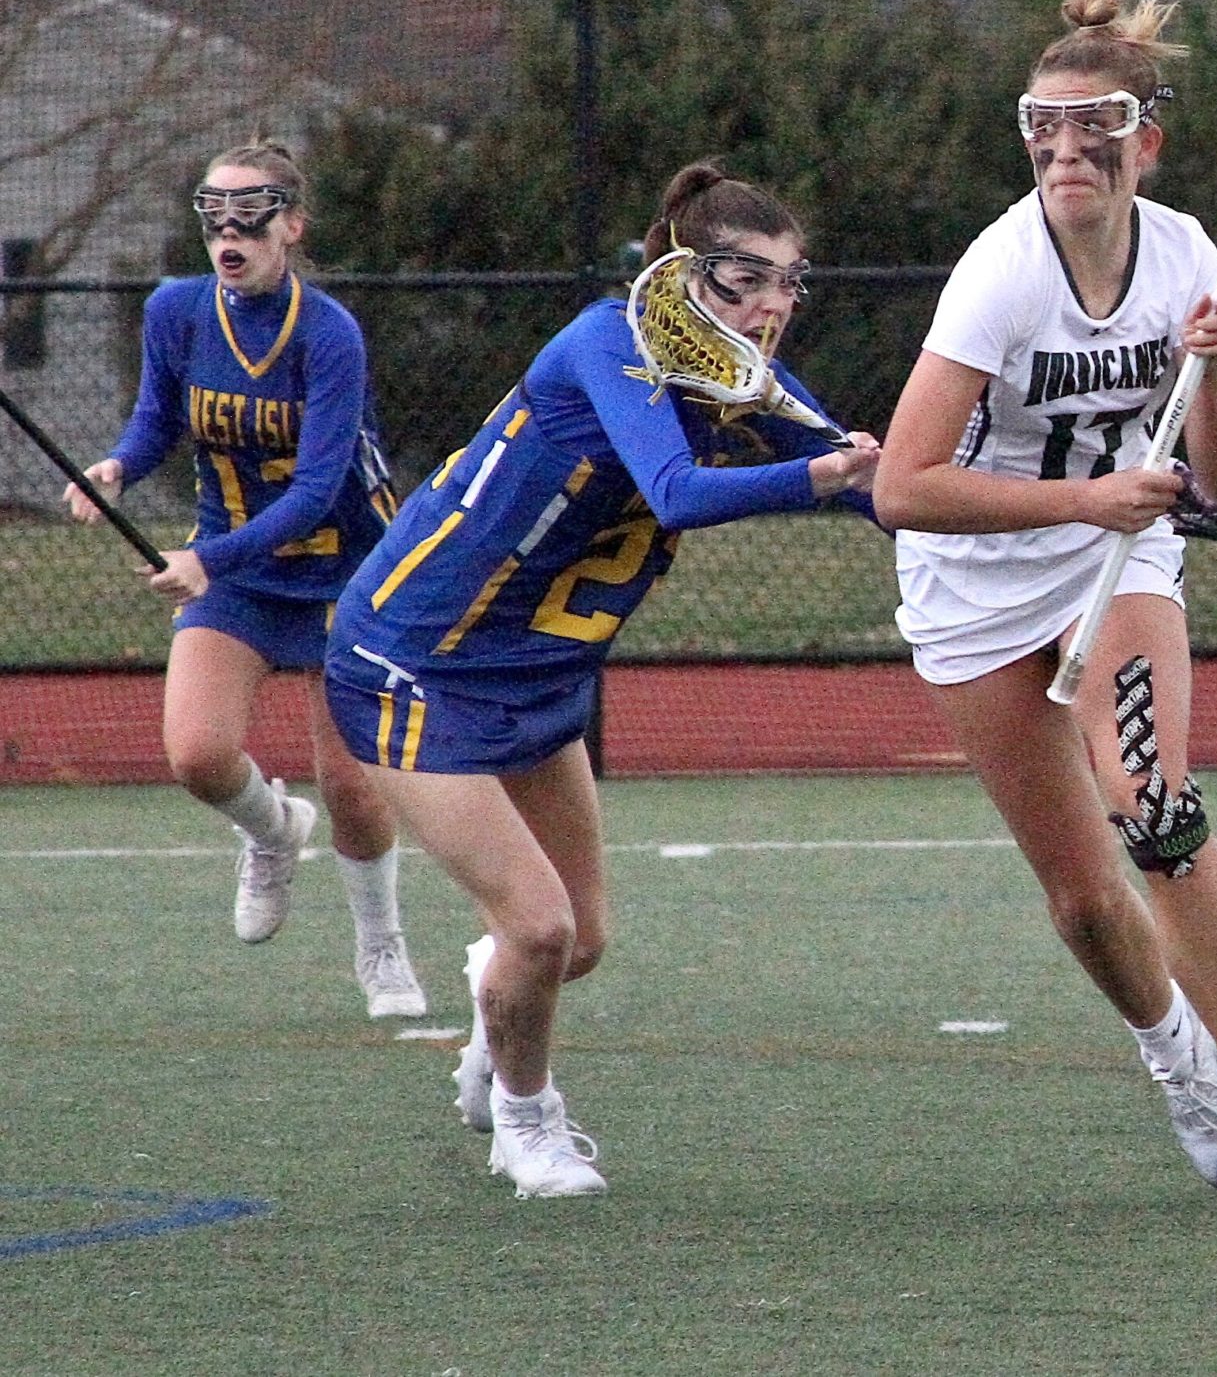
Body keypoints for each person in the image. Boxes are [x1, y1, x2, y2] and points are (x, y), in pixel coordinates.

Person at [871, 0, 1217, 1204]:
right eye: (1042, 126)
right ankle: (1174, 1053)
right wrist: (1085, 500)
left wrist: (1210, 372)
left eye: (1091, 126)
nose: (1062, 149)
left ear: (1144, 139)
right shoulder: (1002, 274)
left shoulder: (1193, 248)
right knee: (1087, 899)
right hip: (977, 577)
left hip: (1120, 557)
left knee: (1155, 804)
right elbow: (902, 483)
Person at [324, 163, 878, 1198]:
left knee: (575, 940)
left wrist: (1070, 500)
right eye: (742, 279)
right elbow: (673, 491)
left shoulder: (746, 378)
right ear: (680, 271)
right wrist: (817, 475)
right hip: (414, 663)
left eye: (788, 284)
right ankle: (525, 1126)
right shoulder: (605, 344)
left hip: (539, 677)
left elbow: (887, 489)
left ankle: (497, 1008)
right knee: (537, 927)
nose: (770, 307)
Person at [72, 141, 422, 1018]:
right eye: (214, 215)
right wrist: (113, 466)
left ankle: (381, 947)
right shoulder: (177, 311)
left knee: (351, 782)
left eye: (251, 215)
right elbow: (157, 421)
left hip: (350, 574)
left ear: (290, 226)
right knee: (196, 755)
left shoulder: (329, 333)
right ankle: (270, 834)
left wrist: (203, 558)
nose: (229, 233)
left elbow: (315, 491)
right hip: (238, 573)